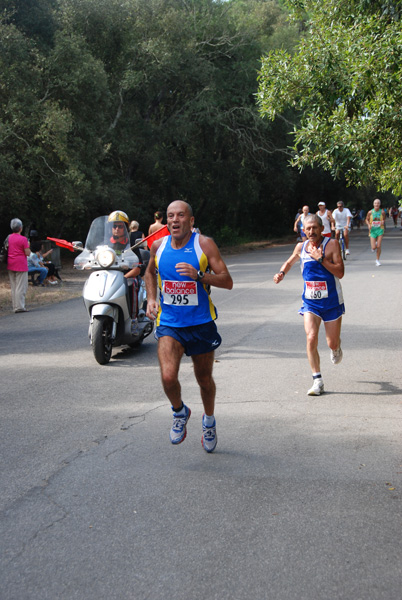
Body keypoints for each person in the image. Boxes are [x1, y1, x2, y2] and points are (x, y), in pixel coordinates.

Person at [145, 200, 233, 453]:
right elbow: (149, 273)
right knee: (168, 376)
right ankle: (179, 411)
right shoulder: (158, 246)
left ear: (190, 221)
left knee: (204, 379)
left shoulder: (204, 245)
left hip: (201, 323)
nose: (174, 220)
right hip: (169, 323)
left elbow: (227, 281)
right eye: (171, 216)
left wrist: (200, 276)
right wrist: (152, 298)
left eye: (181, 215)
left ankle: (208, 421)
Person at [273, 214, 345, 396]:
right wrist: (281, 273)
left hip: (331, 302)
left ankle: (336, 348)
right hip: (310, 302)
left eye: (315, 228)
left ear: (322, 229)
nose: (311, 231)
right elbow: (289, 262)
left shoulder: (332, 245)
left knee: (331, 342)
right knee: (311, 337)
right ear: (302, 230)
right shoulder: (301, 247)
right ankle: (317, 380)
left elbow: (341, 272)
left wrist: (321, 259)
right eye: (308, 228)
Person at [6, 218, 31, 313]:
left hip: (11, 262)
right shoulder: (23, 239)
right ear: (20, 228)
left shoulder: (9, 237)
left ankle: (15, 305)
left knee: (14, 286)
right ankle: (20, 307)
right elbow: (27, 253)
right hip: (20, 264)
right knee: (21, 286)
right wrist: (28, 245)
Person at [365, 198, 386, 266]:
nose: (377, 204)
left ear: (380, 204)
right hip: (372, 230)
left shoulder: (382, 212)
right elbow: (366, 220)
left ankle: (377, 260)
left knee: (379, 246)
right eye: (375, 203)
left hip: (380, 229)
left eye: (378, 203)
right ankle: (374, 244)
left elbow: (384, 218)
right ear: (373, 204)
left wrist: (383, 221)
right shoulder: (370, 212)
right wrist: (368, 225)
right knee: (373, 247)